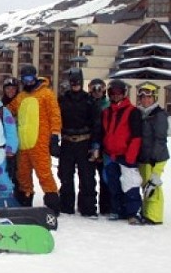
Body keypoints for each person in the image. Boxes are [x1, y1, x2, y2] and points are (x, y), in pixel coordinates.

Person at [13, 65, 62, 211]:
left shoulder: (46, 94)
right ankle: (25, 202)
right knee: (23, 176)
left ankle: (53, 205)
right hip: (23, 144)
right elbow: (9, 110)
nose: (28, 82)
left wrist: (54, 135)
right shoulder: (21, 97)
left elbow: (55, 115)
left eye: (30, 78)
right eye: (24, 79)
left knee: (44, 174)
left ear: (35, 77)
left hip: (39, 143)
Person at [57, 68, 102, 217]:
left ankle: (88, 207)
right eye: (72, 82)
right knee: (65, 176)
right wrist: (54, 139)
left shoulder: (89, 100)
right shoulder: (62, 99)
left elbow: (97, 124)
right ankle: (66, 206)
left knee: (87, 177)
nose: (75, 84)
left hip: (85, 142)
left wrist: (95, 145)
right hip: (67, 142)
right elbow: (56, 121)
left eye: (77, 82)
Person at [101, 79, 144, 224]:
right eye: (113, 93)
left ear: (124, 93)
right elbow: (104, 132)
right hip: (111, 154)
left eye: (119, 93)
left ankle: (133, 212)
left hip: (126, 155)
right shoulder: (107, 111)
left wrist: (131, 156)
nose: (116, 95)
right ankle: (117, 209)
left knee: (130, 184)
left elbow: (137, 136)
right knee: (113, 184)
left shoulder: (133, 111)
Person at [137, 83, 169, 225]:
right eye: (143, 97)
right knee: (145, 185)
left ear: (154, 98)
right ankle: (147, 211)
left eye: (149, 97)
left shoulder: (158, 114)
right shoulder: (142, 113)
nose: (145, 100)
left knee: (153, 185)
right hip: (144, 157)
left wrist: (154, 158)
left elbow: (160, 138)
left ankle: (155, 216)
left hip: (156, 157)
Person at [88, 78, 112, 215]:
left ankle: (106, 206)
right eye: (93, 88)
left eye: (100, 88)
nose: (96, 91)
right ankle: (89, 205)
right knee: (88, 178)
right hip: (88, 142)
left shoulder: (108, 106)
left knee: (105, 177)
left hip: (104, 145)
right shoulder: (87, 103)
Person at [1, 76, 20, 189]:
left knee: (20, 173)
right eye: (8, 88)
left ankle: (21, 197)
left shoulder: (21, 102)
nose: (10, 91)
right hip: (5, 143)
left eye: (13, 88)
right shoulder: (0, 105)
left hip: (21, 141)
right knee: (6, 171)